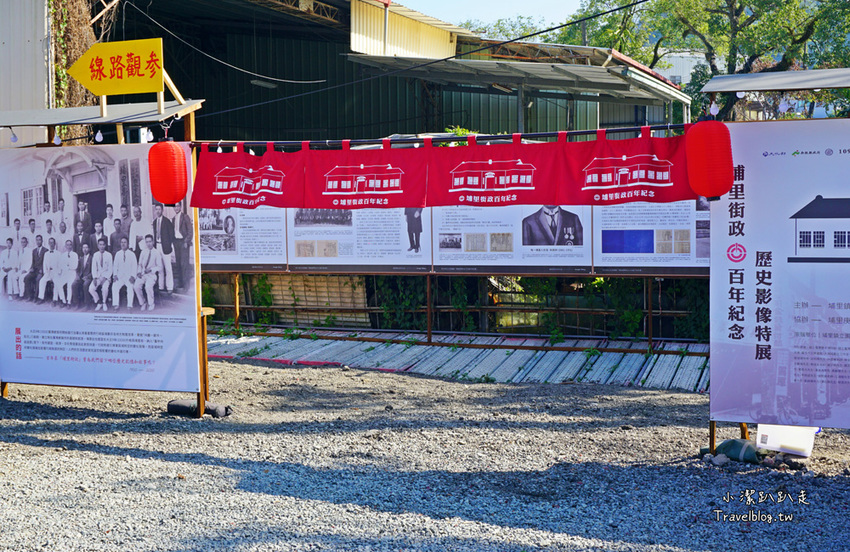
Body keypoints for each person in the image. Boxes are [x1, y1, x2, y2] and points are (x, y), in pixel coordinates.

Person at [134, 234, 163, 311]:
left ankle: (151, 303)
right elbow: (139, 264)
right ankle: (143, 302)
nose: (148, 243)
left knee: (148, 286)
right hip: (143, 274)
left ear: (153, 242)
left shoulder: (157, 253)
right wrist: (139, 272)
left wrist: (151, 269)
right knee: (136, 286)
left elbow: (160, 267)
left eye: (150, 241)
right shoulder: (143, 252)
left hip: (151, 275)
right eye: (147, 242)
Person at [151, 203, 174, 293]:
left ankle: (169, 287)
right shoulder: (154, 222)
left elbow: (171, 235)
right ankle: (161, 286)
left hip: (165, 247)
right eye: (156, 209)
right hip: (157, 246)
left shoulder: (167, 221)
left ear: (162, 210)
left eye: (159, 209)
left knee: (168, 268)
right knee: (159, 267)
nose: (157, 211)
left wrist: (168, 245)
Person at [171, 202, 193, 290]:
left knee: (184, 264)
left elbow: (190, 231)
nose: (176, 208)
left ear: (180, 207)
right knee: (178, 263)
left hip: (183, 242)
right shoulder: (173, 219)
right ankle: (180, 284)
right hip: (176, 243)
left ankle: (186, 285)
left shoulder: (185, 217)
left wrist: (186, 241)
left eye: (177, 206)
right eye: (174, 207)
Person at [111, 237, 136, 310]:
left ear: (127, 244)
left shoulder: (132, 254)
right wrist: (115, 275)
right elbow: (115, 266)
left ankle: (129, 306)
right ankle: (116, 305)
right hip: (120, 277)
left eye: (125, 242)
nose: (123, 244)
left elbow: (134, 266)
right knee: (114, 286)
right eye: (122, 242)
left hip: (129, 277)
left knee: (130, 288)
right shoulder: (118, 254)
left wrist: (133, 276)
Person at [89, 237, 112, 311]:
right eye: (100, 245)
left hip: (106, 277)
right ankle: (99, 302)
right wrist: (95, 278)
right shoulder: (95, 255)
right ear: (98, 246)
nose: (102, 246)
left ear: (105, 245)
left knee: (105, 288)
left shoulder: (109, 255)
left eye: (103, 245)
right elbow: (94, 267)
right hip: (98, 276)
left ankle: (104, 302)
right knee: (91, 289)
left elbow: (110, 268)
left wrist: (105, 278)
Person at [37, 237, 62, 304]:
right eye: (50, 243)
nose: (51, 244)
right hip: (48, 272)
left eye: (52, 243)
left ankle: (55, 299)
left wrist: (59, 273)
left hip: (56, 272)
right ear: (48, 243)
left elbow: (60, 265)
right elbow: (44, 263)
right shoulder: (46, 253)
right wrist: (45, 273)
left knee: (56, 283)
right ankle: (41, 297)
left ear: (55, 244)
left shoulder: (58, 253)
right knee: (42, 281)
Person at [23, 234, 46, 301]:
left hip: (41, 271)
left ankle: (36, 297)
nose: (38, 241)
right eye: (37, 240)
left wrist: (42, 269)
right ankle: (30, 296)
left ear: (42, 241)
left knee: (38, 279)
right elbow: (32, 261)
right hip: (34, 270)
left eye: (39, 240)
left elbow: (45, 262)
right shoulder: (34, 251)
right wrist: (31, 268)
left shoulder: (45, 250)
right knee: (26, 278)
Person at [57, 240, 79, 308]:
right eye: (67, 245)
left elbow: (75, 266)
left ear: (72, 246)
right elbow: (61, 265)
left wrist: (67, 266)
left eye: (70, 245)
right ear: (65, 246)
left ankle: (69, 302)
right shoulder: (63, 255)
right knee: (59, 284)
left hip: (72, 273)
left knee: (69, 285)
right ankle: (63, 300)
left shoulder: (75, 254)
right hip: (65, 273)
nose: (69, 246)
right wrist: (67, 267)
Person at [73, 242, 93, 309]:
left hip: (89, 278)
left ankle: (87, 304)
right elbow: (77, 269)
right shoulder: (81, 258)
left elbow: (94, 271)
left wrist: (87, 277)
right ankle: (77, 303)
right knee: (74, 284)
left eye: (86, 247)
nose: (85, 249)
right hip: (81, 277)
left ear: (89, 249)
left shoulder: (92, 258)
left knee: (85, 285)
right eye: (83, 248)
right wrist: (78, 276)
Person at [16, 236, 32, 301]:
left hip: (27, 270)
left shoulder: (29, 250)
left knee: (21, 278)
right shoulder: (20, 251)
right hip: (21, 269)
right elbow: (18, 261)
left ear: (27, 243)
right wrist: (17, 268)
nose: (23, 243)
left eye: (24, 242)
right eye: (22, 242)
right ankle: (17, 292)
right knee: (14, 276)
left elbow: (30, 261)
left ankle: (21, 295)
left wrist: (26, 269)